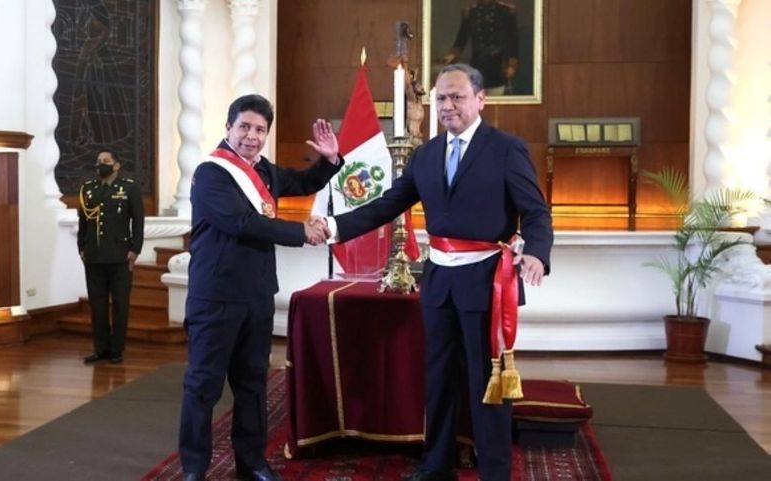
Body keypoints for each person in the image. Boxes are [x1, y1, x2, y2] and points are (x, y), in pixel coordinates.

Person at [317, 63, 553, 481]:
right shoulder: (426, 155)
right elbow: (386, 205)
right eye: (441, 98)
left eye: (457, 97)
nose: (447, 106)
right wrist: (335, 227)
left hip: (486, 283)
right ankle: (436, 465)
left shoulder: (506, 148)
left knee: (489, 384)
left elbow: (535, 212)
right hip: (439, 283)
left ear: (481, 100)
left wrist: (535, 251)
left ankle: (494, 472)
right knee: (438, 378)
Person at [179, 94, 342, 481]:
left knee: (252, 384)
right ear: (228, 128)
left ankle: (251, 463)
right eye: (245, 127)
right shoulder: (211, 174)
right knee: (203, 388)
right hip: (215, 297)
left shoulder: (264, 170)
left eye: (260, 130)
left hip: (257, 296)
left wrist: (331, 159)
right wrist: (300, 232)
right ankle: (194, 469)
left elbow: (303, 182)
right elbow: (242, 223)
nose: (252, 136)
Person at [77, 150, 144, 365]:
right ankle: (101, 348)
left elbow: (138, 221)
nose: (101, 165)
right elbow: (83, 223)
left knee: (120, 304)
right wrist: (82, 247)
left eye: (106, 162)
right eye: (98, 162)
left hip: (120, 257)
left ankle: (117, 349)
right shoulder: (88, 189)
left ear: (116, 165)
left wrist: (135, 249)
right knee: (97, 305)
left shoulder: (129, 188)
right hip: (94, 256)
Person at [442, 0, 519, 96]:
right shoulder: (470, 13)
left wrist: (511, 65)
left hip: (497, 67)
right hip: (477, 65)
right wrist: (452, 55)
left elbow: (513, 42)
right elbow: (461, 40)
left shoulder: (506, 11)